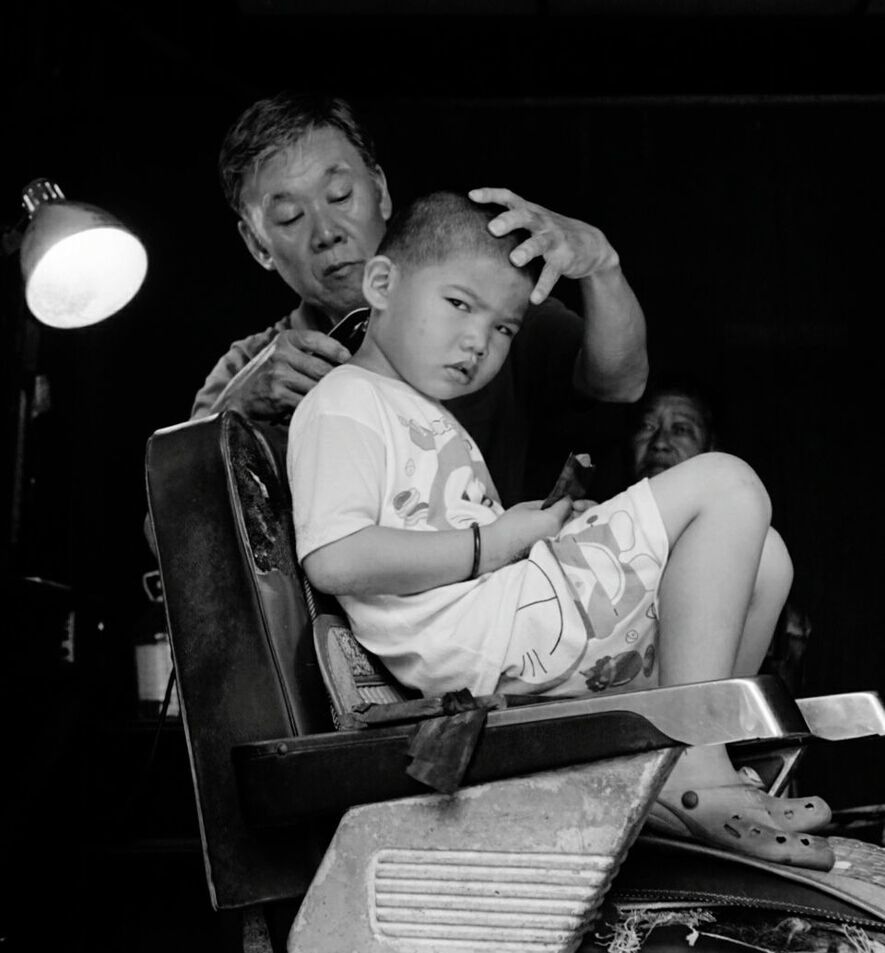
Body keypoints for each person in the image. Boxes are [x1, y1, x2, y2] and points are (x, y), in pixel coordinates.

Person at [287, 191, 833, 872]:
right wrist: (496, 543)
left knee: (766, 558)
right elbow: (334, 560)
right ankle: (697, 760)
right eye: (459, 304)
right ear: (382, 284)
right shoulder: (342, 402)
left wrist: (537, 535)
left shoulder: (414, 409)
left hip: (505, 620)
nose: (476, 342)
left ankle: (680, 753)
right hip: (479, 641)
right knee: (724, 482)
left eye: (503, 329)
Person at [190, 92, 648, 506]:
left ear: (381, 192)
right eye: (289, 217)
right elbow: (176, 533)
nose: (326, 233)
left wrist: (602, 267)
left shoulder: (483, 310)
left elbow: (620, 383)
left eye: (340, 195)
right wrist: (234, 414)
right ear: (257, 245)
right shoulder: (247, 369)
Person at [626, 378, 812, 696]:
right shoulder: (598, 534)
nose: (659, 442)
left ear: (712, 451)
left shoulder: (755, 568)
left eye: (681, 429)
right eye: (647, 426)